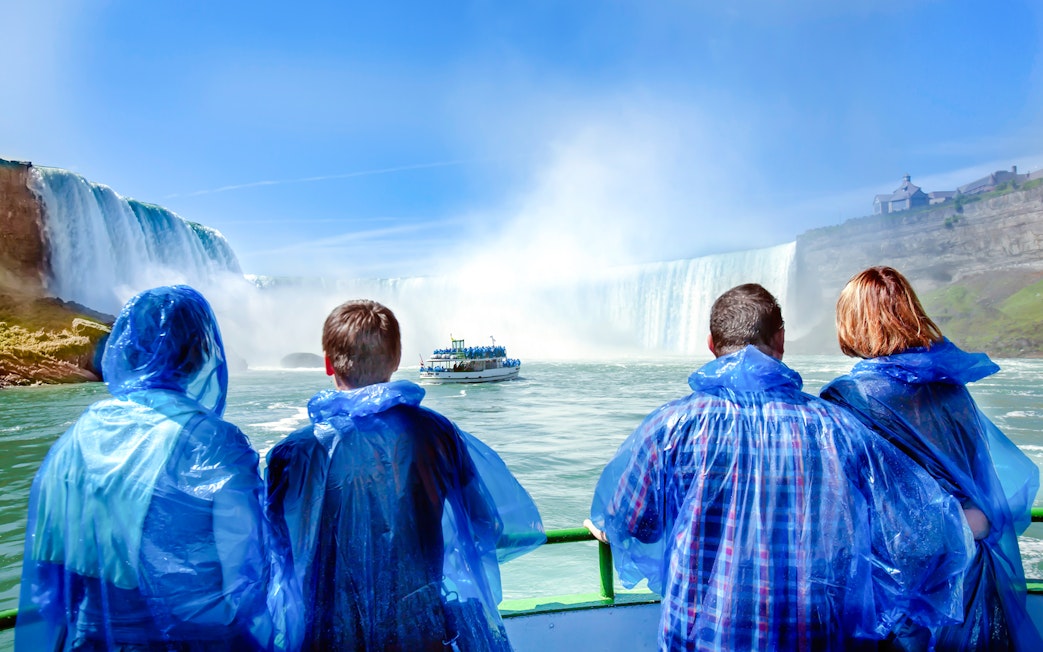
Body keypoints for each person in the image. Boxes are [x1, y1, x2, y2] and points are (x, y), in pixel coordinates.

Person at [586, 283, 974, 652]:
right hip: (812, 639)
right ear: (781, 340)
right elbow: (915, 533)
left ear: (711, 345)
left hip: (700, 640)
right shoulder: (838, 428)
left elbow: (631, 523)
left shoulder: (670, 425)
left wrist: (606, 526)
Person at [16, 285, 301, 651]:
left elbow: (49, 571)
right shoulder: (216, 445)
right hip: (192, 639)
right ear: (202, 354)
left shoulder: (77, 439)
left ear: (127, 351)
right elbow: (244, 572)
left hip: (89, 637)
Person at [265, 299, 545, 650]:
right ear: (397, 360)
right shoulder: (437, 435)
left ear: (327, 364)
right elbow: (486, 525)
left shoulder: (292, 453)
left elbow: (272, 553)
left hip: (326, 637)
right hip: (417, 630)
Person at [820, 266, 1042, 650]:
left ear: (853, 323)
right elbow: (982, 487)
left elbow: (837, 509)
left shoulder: (847, 397)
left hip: (893, 589)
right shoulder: (952, 392)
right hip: (967, 575)